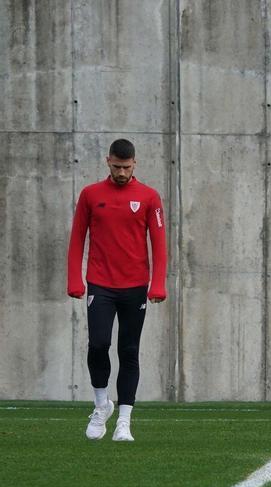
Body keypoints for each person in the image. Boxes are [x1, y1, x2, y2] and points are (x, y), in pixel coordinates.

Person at [67, 139, 168, 442]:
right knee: (98, 345)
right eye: (116, 166)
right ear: (107, 161)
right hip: (101, 283)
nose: (122, 172)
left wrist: (158, 283)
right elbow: (77, 238)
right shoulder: (90, 195)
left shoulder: (149, 197)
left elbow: (159, 244)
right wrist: (75, 279)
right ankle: (101, 406)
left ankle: (124, 420)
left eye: (126, 167)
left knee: (128, 350)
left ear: (134, 163)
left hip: (135, 286)